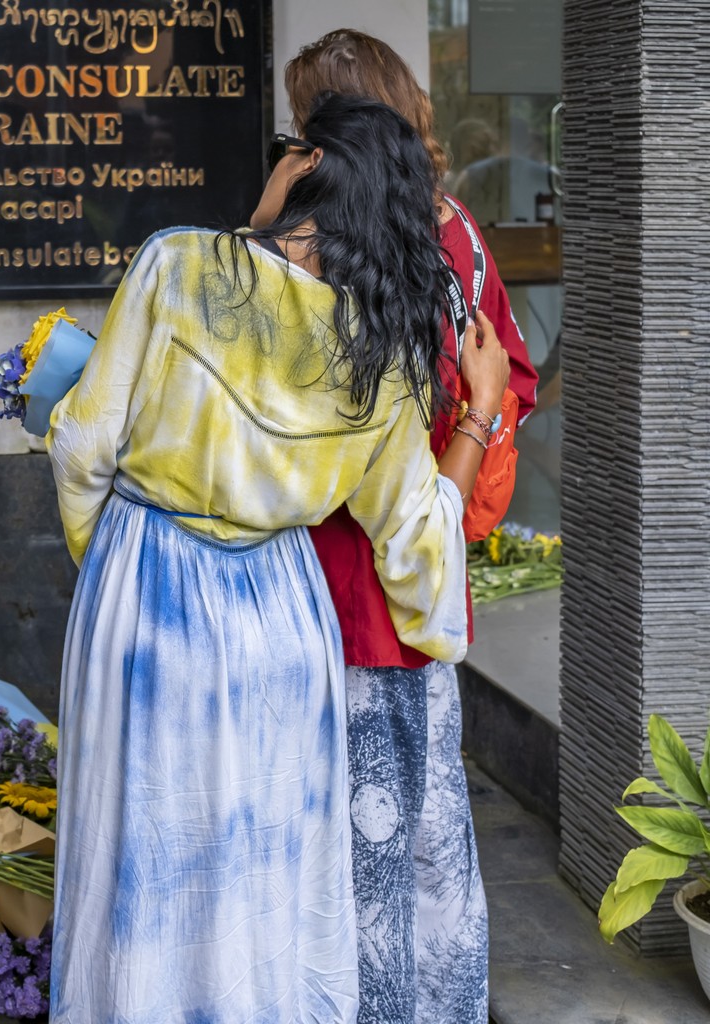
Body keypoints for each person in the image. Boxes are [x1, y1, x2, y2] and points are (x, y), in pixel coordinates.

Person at [47, 93, 510, 1023]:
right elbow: (416, 538)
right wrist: (482, 412)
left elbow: (81, 443)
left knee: (145, 851)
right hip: (285, 622)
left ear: (303, 166)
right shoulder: (380, 348)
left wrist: (111, 568)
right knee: (269, 873)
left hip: (150, 598)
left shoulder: (176, 265)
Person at [285, 30, 540, 1023]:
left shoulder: (325, 252)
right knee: (426, 841)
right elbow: (508, 371)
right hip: (422, 599)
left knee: (354, 852)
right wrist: (474, 412)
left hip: (341, 596)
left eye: (304, 123)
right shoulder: (458, 235)